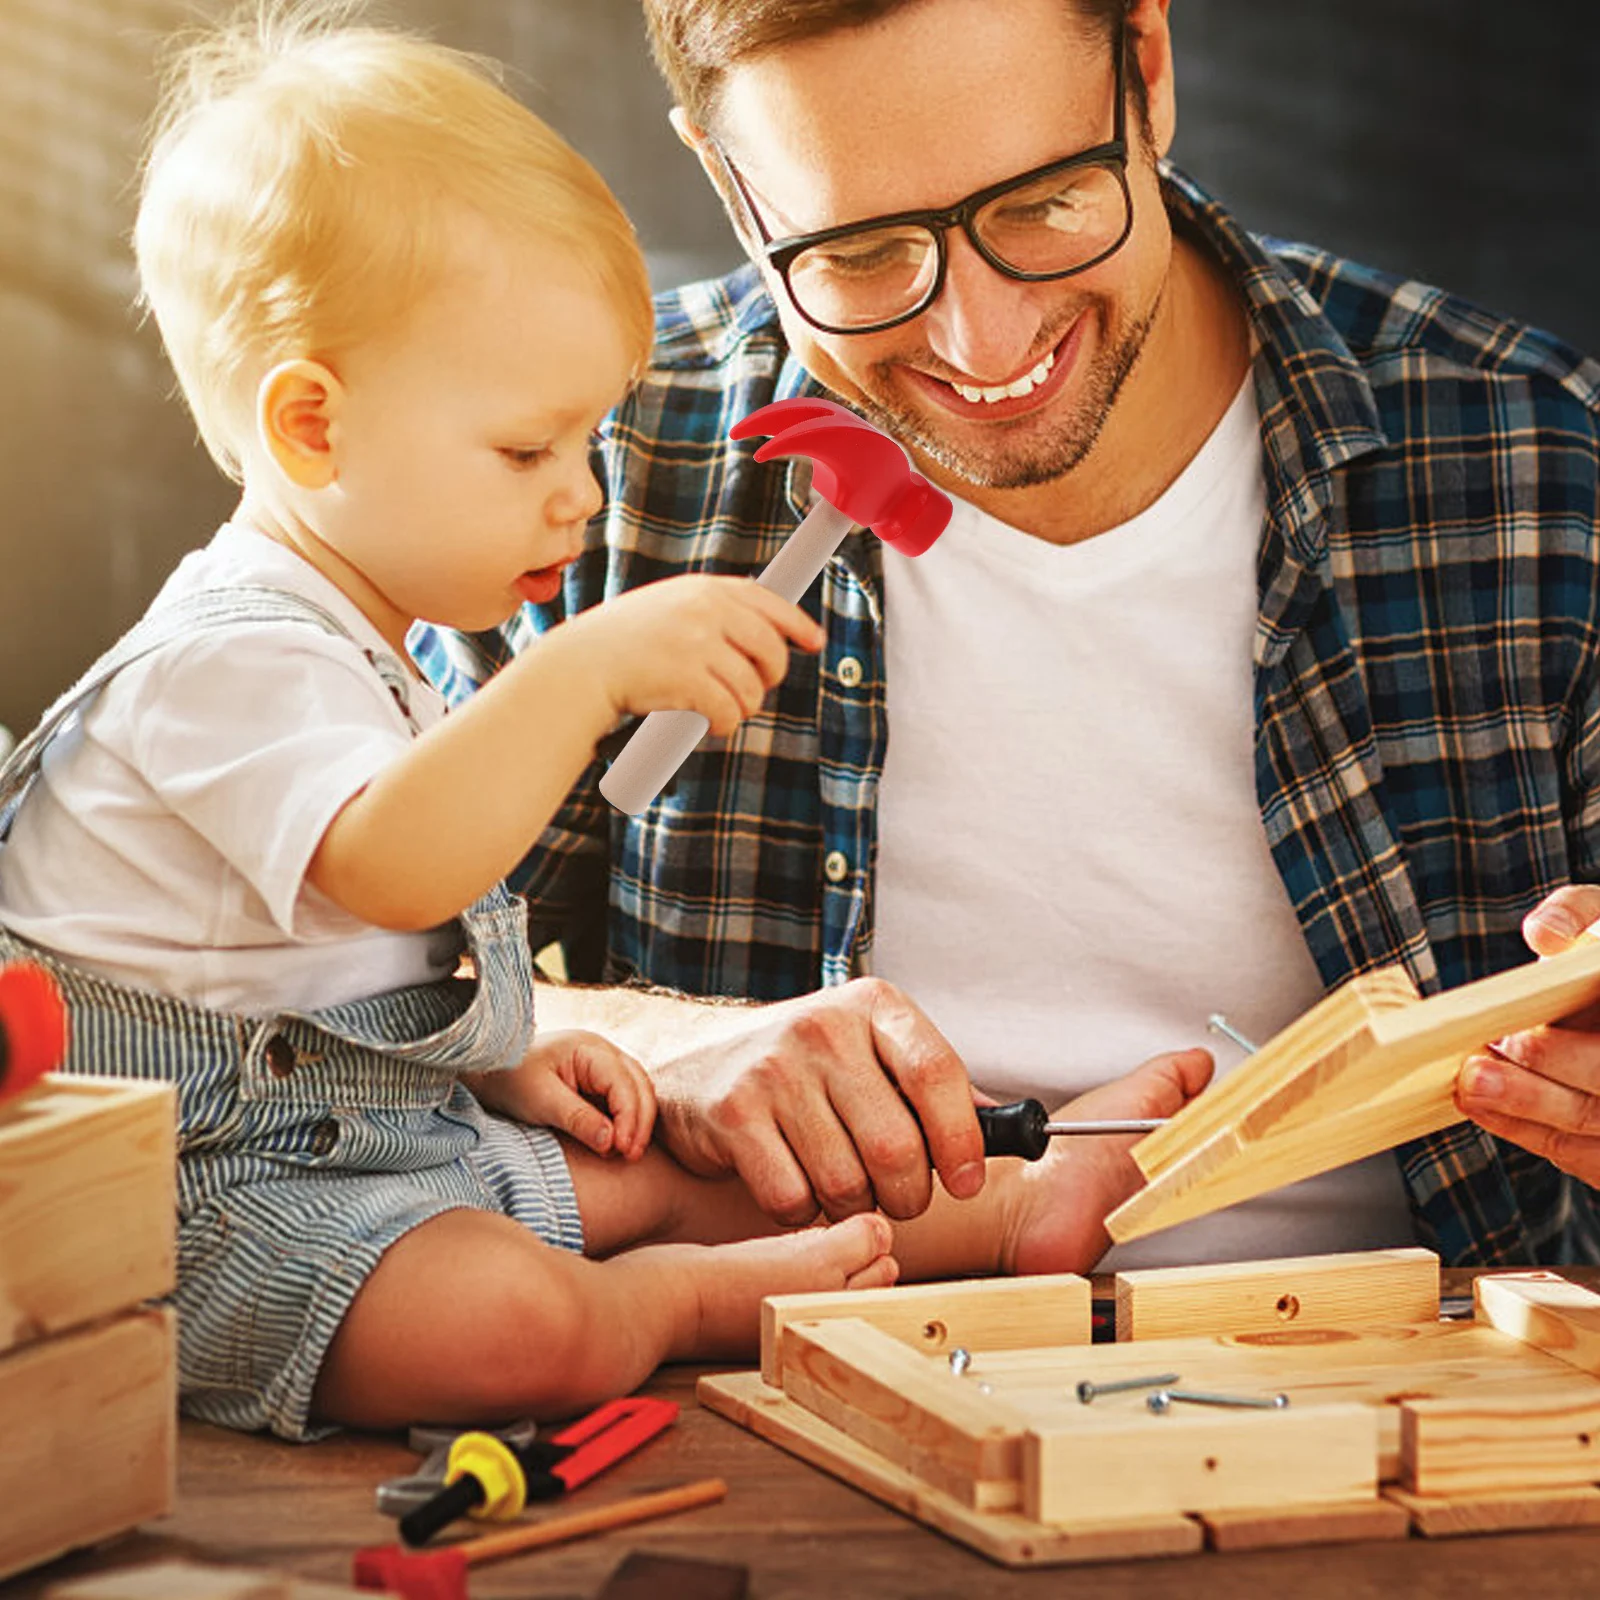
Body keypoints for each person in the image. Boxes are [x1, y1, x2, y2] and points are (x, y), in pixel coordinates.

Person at [0, 4, 1210, 1442]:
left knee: (655, 1163)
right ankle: (682, 1305)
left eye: (587, 437)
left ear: (1148, 66)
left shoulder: (354, 647)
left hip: (373, 1137)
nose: (581, 493)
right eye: (527, 449)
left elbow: (306, 955)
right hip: (198, 1194)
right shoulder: (224, 669)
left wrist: (509, 1051)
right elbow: (394, 870)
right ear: (312, 429)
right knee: (515, 1318)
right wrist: (580, 674)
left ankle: (1025, 1197)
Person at [415, 0, 1600, 1269]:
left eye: (1040, 204)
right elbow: (324, 999)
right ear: (724, 175)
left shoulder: (1538, 461)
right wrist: (657, 1045)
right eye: (861, 252)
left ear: (1144, 69)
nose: (980, 342)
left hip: (1424, 1397)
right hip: (792, 1396)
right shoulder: (598, 464)